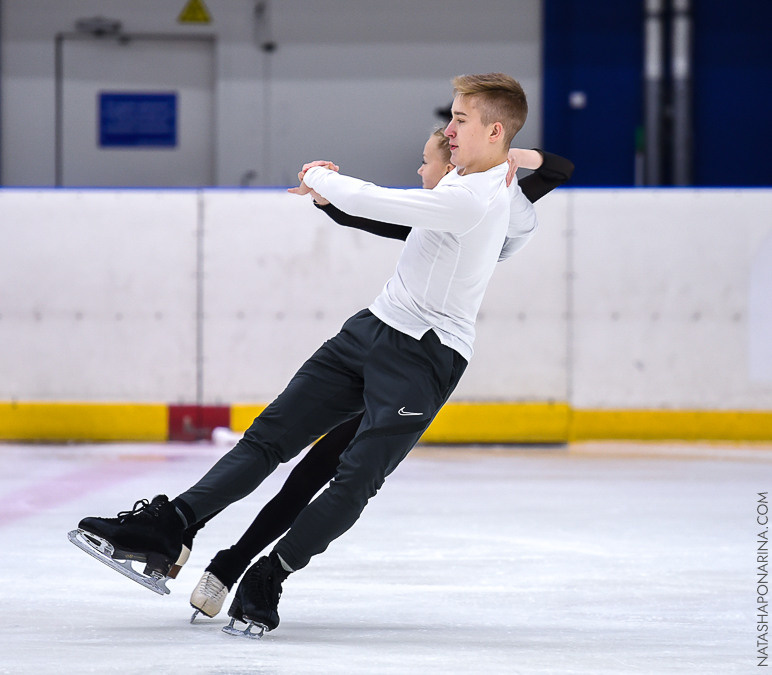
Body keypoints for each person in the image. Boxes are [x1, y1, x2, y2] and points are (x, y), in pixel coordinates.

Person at [71, 72, 552, 637]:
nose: (448, 130)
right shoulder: (475, 189)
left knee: (351, 480)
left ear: (494, 131)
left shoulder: (477, 198)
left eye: (460, 120)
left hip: (425, 358)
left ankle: (269, 574)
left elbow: (377, 201)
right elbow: (510, 231)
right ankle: (173, 524)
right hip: (370, 329)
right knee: (267, 438)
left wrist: (320, 175)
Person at [184, 129, 574, 622]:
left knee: (321, 476)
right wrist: (327, 202)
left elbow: (559, 168)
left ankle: (239, 567)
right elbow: (380, 221)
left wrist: (506, 158)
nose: (420, 170)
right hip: (387, 346)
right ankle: (229, 566)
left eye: (428, 161)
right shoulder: (438, 213)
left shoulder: (492, 200)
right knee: (307, 474)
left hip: (422, 361)